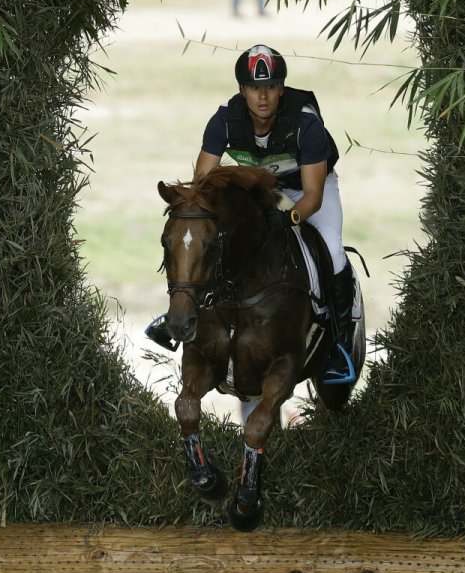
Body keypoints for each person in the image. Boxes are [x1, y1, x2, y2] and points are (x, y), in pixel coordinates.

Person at [146, 44, 357, 385]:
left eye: (271, 87)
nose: (263, 97)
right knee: (206, 240)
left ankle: (340, 341)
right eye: (255, 88)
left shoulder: (305, 123)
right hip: (259, 189)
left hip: (305, 189)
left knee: (331, 250)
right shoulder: (225, 120)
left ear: (281, 89)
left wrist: (287, 219)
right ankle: (180, 315)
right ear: (242, 90)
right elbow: (202, 186)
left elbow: (314, 197)